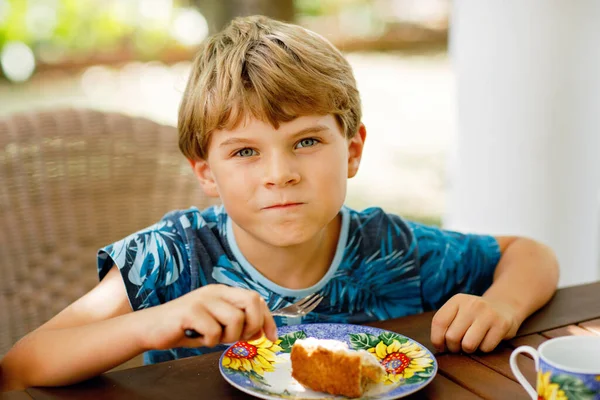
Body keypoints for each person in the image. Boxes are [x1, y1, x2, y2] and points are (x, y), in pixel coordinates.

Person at [0, 15, 559, 391]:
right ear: (206, 174)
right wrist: (152, 322)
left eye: (307, 142)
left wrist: (501, 306)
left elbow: (528, 254)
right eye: (245, 151)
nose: (280, 174)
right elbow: (22, 364)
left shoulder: (392, 249)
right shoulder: (172, 257)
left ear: (353, 151)